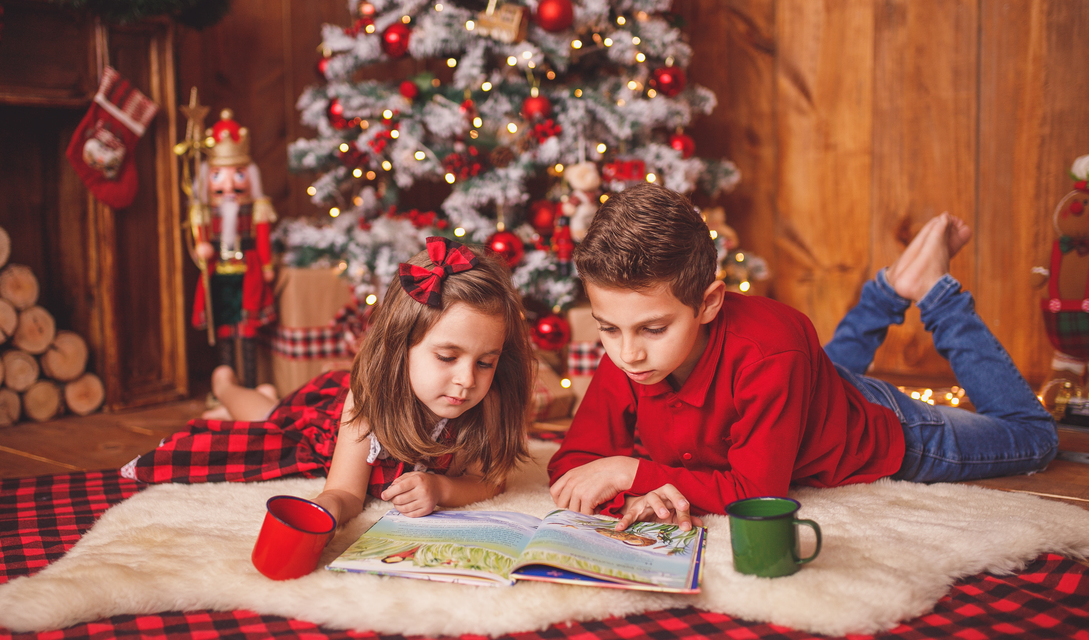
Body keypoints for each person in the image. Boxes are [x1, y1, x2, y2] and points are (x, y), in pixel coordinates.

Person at [548, 183, 1058, 531]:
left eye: (653, 328)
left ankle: (932, 292)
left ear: (708, 303)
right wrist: (635, 496)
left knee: (1035, 438)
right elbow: (575, 464)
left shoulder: (773, 352)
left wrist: (630, 473)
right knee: (819, 372)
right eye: (608, 329)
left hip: (881, 429)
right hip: (808, 391)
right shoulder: (631, 350)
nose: (628, 353)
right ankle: (888, 290)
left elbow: (756, 492)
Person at [124, 236, 534, 529]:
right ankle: (227, 384)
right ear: (400, 346)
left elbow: (488, 481)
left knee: (268, 408)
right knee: (269, 417)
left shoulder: (489, 397)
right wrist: (322, 513)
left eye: (485, 362)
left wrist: (441, 488)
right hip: (321, 417)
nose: (467, 380)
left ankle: (243, 392)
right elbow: (347, 493)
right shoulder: (368, 403)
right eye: (447, 357)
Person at [188, 109, 277, 388]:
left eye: (238, 174)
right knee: (224, 332)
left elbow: (262, 238)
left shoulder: (256, 209)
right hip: (219, 275)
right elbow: (199, 240)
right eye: (218, 176)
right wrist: (201, 248)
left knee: (247, 333)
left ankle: (250, 385)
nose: (228, 185)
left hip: (248, 272)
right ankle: (225, 387)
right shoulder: (203, 212)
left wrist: (266, 266)